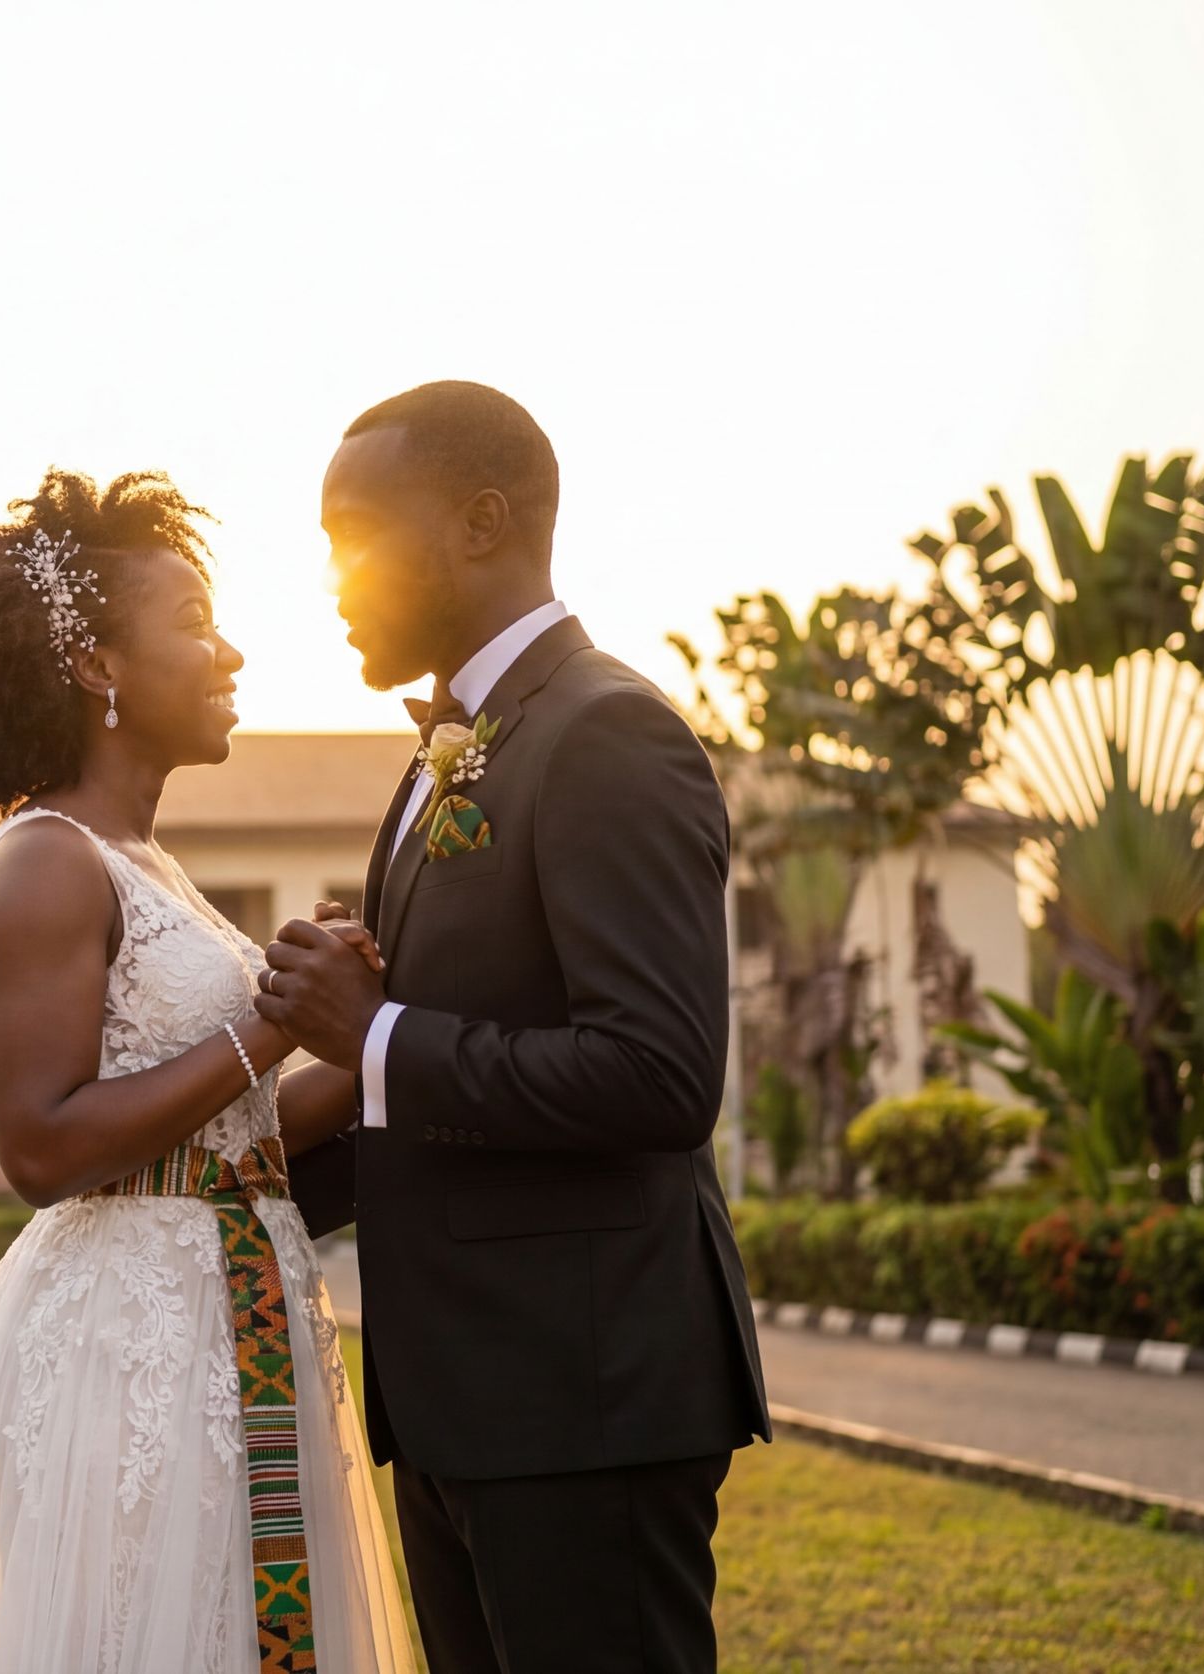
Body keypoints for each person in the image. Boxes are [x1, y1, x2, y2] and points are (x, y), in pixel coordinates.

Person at [0, 469, 417, 1673]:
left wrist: (368, 1037)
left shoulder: (149, 860)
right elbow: (41, 1146)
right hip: (127, 1348)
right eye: (193, 623)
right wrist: (271, 1025)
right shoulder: (42, 861)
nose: (231, 652)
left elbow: (234, 1130)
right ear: (98, 666)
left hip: (232, 1311)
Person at [257, 382, 771, 1674]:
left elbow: (656, 1076)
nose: (330, 576)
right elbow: (437, 1096)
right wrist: (208, 1207)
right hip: (457, 1401)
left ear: (481, 521)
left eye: (354, 534)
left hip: (582, 1400)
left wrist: (369, 1029)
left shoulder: (608, 732)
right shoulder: (452, 751)